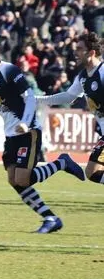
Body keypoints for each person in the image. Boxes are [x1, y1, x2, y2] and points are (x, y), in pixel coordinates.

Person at [0, 33, 85, 234]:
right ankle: (50, 218)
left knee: (23, 178)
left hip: (29, 130)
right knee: (13, 179)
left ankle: (62, 162)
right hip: (11, 135)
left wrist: (25, 123)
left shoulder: (9, 70)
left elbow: (30, 98)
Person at [36, 31, 104, 183]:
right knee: (93, 172)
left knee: (92, 172)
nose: (75, 52)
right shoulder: (83, 76)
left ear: (92, 52)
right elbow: (67, 96)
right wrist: (37, 100)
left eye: (79, 49)